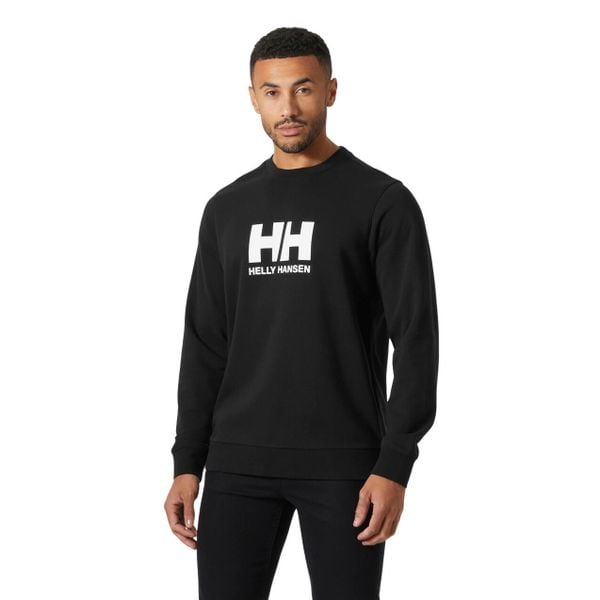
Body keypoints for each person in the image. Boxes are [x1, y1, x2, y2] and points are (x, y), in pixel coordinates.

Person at [164, 26, 439, 600]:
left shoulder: (382, 201)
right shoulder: (226, 209)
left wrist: (394, 464)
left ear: (331, 90)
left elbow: (416, 342)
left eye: (303, 89)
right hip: (237, 465)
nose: (287, 108)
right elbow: (205, 343)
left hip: (347, 468)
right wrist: (187, 461)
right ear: (253, 98)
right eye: (272, 92)